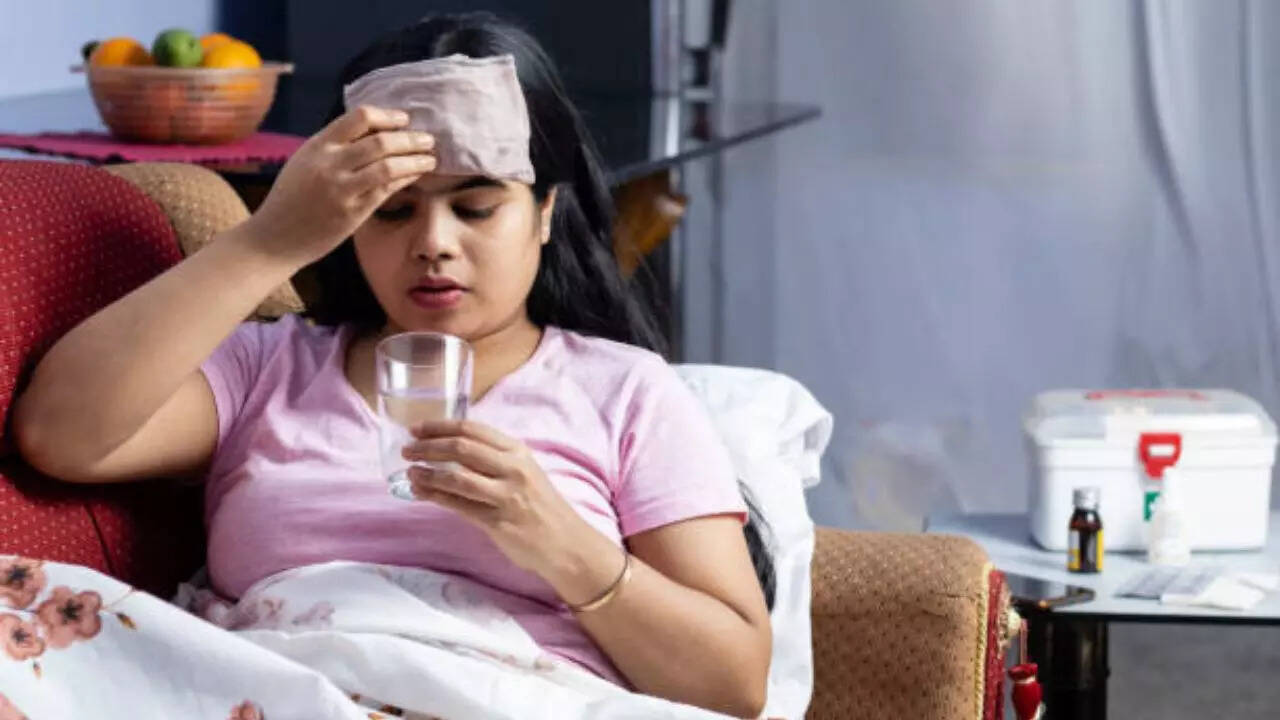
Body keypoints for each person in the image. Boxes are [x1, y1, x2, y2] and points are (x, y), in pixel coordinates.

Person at [12, 12, 770, 718]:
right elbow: (60, 436)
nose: (433, 243)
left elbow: (733, 686)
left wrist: (558, 541)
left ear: (544, 213)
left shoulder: (625, 390)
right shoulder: (269, 368)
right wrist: (270, 240)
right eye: (392, 209)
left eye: (475, 208)